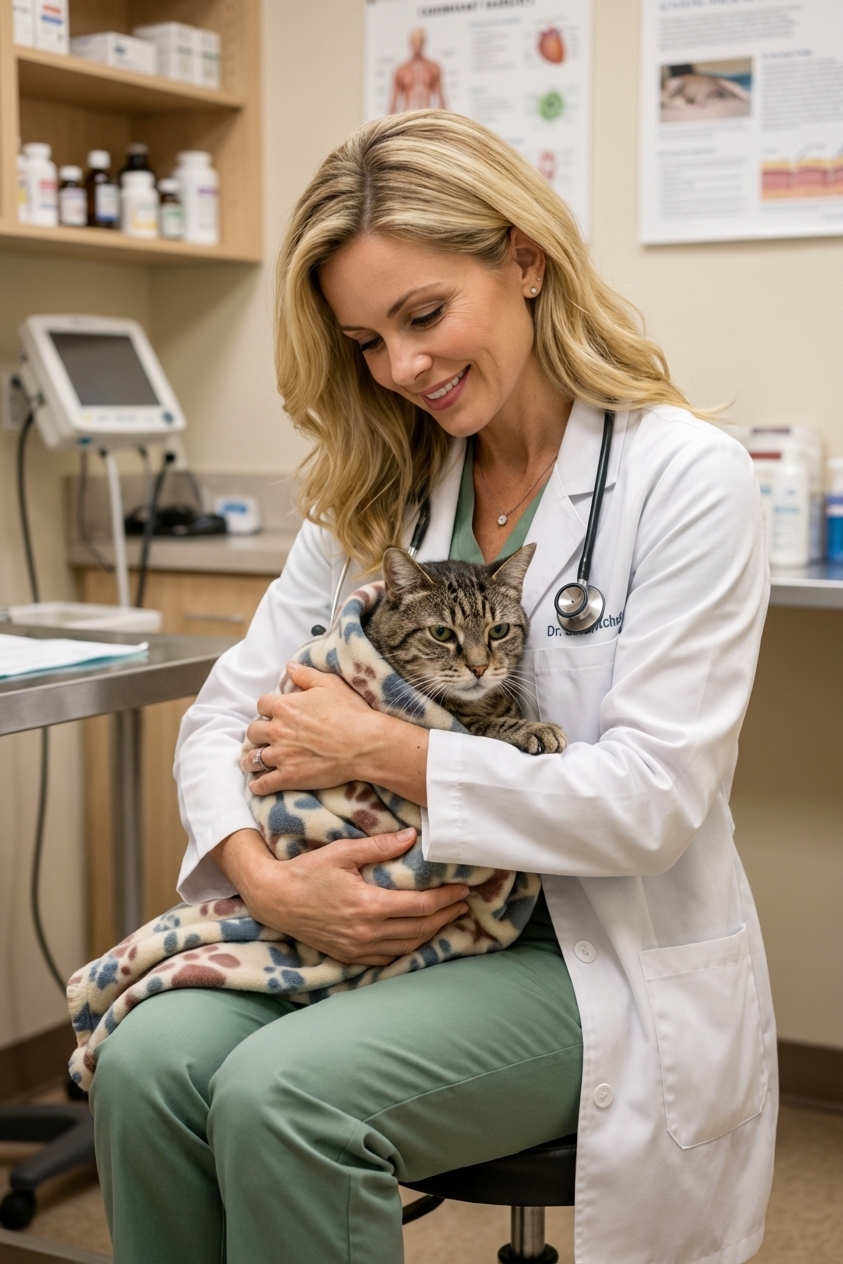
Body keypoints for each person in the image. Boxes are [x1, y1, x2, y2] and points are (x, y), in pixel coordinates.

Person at [90, 111, 777, 1264]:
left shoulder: (684, 478)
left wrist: (379, 749)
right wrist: (271, 881)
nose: (403, 368)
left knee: (284, 1098)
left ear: (523, 257)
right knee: (146, 1063)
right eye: (366, 340)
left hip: (581, 951)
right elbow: (226, 711)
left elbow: (653, 799)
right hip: (355, 913)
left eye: (423, 316)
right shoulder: (376, 490)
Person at [389, 28, 447, 112]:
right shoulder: (401, 70)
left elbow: (441, 99)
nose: (417, 45)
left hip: (426, 115)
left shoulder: (433, 68)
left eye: (420, 42)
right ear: (410, 43)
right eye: (415, 42)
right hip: (408, 115)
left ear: (424, 43)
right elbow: (393, 102)